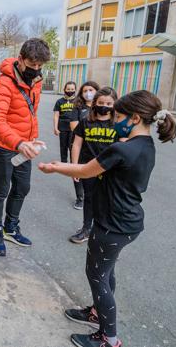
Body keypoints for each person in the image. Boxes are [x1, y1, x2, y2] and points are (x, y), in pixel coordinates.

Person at [38, 90, 176, 347]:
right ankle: (96, 312)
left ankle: (109, 339)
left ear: (135, 118)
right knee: (105, 270)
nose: (114, 119)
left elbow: (85, 170)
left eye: (119, 115)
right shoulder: (145, 145)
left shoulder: (122, 150)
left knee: (97, 275)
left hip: (113, 224)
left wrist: (54, 167)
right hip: (126, 221)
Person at [0, 38, 50, 257]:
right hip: (4, 146)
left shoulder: (37, 81)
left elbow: (30, 113)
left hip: (24, 145)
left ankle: (10, 227)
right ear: (20, 59)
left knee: (22, 188)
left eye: (41, 66)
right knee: (1, 190)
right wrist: (19, 142)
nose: (37, 70)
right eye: (33, 66)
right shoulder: (4, 83)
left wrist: (31, 139)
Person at [69, 86, 118, 244]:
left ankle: (103, 232)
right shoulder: (85, 121)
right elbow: (76, 145)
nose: (105, 106)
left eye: (109, 103)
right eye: (101, 102)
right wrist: (75, 168)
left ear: (115, 104)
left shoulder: (118, 124)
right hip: (88, 168)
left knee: (107, 201)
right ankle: (86, 229)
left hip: (110, 170)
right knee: (89, 199)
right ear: (95, 102)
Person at [69, 80, 99, 210]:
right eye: (85, 91)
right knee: (77, 170)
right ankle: (80, 198)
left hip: (96, 146)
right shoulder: (77, 107)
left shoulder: (101, 107)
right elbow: (73, 126)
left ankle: (93, 196)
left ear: (97, 91)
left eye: (91, 90)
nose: (88, 93)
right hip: (78, 144)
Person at [53, 81, 77, 164]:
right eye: (68, 89)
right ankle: (63, 162)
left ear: (75, 90)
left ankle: (73, 162)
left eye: (72, 89)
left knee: (72, 146)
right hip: (62, 127)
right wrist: (55, 128)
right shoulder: (59, 101)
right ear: (64, 89)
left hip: (74, 128)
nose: (70, 91)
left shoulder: (78, 101)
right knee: (63, 146)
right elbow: (56, 115)